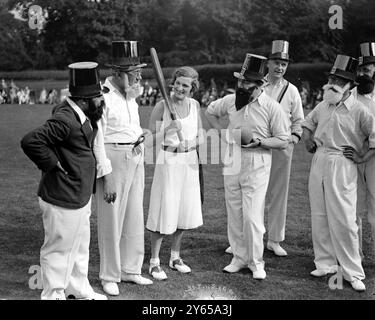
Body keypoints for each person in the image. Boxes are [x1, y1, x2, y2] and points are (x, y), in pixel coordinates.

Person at [20, 62, 107, 300]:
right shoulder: (65, 119)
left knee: (79, 247)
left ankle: (78, 289)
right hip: (62, 196)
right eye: (98, 97)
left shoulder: (79, 112)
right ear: (83, 99)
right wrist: (53, 166)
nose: (101, 101)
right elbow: (31, 141)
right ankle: (53, 294)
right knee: (58, 249)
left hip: (79, 194)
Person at [205, 54, 289, 280]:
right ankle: (239, 258)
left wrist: (261, 142)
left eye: (246, 83)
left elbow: (283, 139)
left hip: (258, 161)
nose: (241, 86)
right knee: (234, 212)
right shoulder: (231, 100)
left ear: (260, 84)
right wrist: (223, 133)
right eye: (240, 82)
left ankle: (256, 262)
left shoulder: (272, 108)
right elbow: (210, 111)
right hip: (233, 160)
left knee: (252, 216)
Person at [302, 54, 375, 292]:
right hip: (320, 159)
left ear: (350, 86)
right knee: (320, 213)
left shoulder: (359, 110)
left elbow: (373, 137)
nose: (332, 83)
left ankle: (353, 272)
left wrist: (363, 157)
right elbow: (307, 123)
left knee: (344, 219)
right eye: (332, 77)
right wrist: (307, 139)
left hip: (343, 164)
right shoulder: (324, 105)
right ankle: (325, 263)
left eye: (339, 79)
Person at [94, 40, 153, 296]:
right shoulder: (101, 97)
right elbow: (96, 138)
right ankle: (109, 275)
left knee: (133, 215)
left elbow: (133, 128)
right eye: (134, 72)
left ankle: (131, 270)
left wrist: (140, 141)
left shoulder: (132, 95)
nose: (139, 76)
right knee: (111, 219)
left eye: (139, 70)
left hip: (135, 154)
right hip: (113, 158)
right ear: (117, 72)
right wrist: (104, 172)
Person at [146, 66, 204, 281]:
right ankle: (154, 262)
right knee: (165, 208)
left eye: (185, 85)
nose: (180, 88)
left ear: (193, 88)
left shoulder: (195, 105)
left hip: (189, 162)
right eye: (178, 83)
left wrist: (191, 142)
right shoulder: (162, 106)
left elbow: (201, 137)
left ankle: (175, 257)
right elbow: (149, 139)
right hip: (168, 162)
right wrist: (167, 131)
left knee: (183, 209)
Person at [352, 42, 375, 259]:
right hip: (353, 157)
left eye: (366, 69)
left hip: (374, 158)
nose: (362, 73)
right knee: (354, 205)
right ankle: (355, 255)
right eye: (359, 70)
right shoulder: (349, 95)